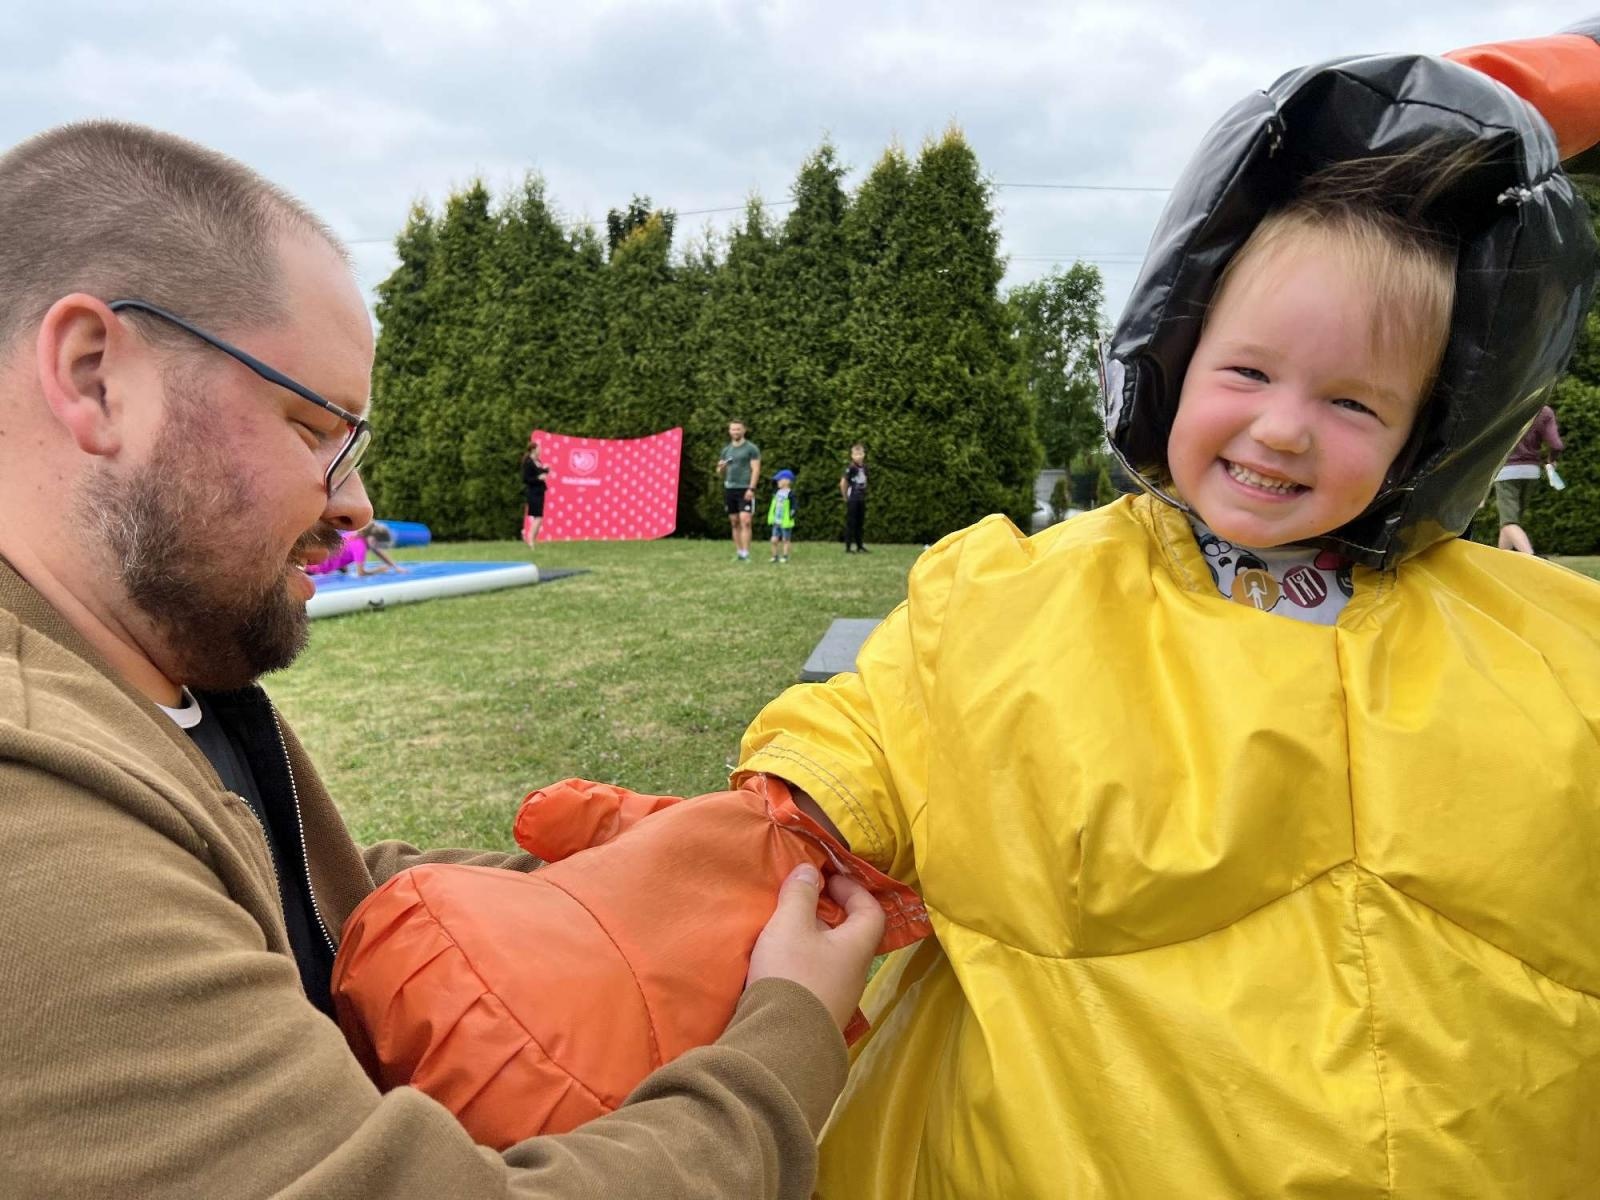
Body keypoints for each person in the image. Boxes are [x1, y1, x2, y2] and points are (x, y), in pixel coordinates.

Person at [728, 34, 1600, 1198]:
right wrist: (792, 814)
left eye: (1352, 403)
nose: (1282, 429)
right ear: (1170, 361)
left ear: (1422, 439)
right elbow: (888, 722)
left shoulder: (1532, 642)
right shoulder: (1027, 596)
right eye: (1246, 374)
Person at [0, 120, 883, 1199]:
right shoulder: (31, 815)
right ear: (94, 377)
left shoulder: (152, 680)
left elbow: (300, 903)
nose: (356, 502)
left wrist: (655, 886)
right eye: (312, 426)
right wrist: (786, 1036)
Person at [1493, 403, 1564, 554]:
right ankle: (1501, 562)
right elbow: (1556, 445)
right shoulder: (1544, 411)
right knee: (1510, 523)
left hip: (1506, 470)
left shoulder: (1508, 404)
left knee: (1509, 522)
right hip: (1531, 471)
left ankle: (1531, 556)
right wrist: (1551, 460)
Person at [716, 420, 761, 561]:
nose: (735, 432)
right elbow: (719, 471)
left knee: (745, 521)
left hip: (745, 489)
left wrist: (751, 488)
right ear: (729, 431)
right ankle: (740, 552)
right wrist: (721, 468)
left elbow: (756, 469)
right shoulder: (726, 450)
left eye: (738, 429)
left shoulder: (751, 448)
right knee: (734, 522)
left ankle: (746, 553)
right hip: (730, 489)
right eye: (733, 429)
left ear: (744, 430)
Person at [521, 435, 552, 545]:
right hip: (533, 492)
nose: (541, 450)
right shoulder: (528, 462)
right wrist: (538, 478)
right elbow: (526, 479)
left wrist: (546, 470)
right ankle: (530, 538)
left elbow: (539, 472)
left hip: (540, 491)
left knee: (539, 517)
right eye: (539, 448)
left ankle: (532, 540)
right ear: (534, 449)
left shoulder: (537, 461)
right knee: (538, 517)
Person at [839, 443, 868, 553]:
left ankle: (859, 545)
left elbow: (865, 480)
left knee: (860, 523)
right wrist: (845, 496)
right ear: (852, 456)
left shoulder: (865, 467)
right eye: (856, 454)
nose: (858, 456)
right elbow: (843, 483)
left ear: (864, 455)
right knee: (851, 523)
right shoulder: (851, 468)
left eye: (860, 454)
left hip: (861, 498)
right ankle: (848, 547)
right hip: (853, 498)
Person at [768, 470, 796, 563]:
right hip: (776, 521)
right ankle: (775, 556)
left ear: (787, 481)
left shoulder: (790, 493)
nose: (777, 482)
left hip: (785, 522)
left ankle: (785, 556)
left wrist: (792, 512)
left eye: (779, 480)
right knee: (774, 539)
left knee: (785, 539)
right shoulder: (777, 492)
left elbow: (794, 505)